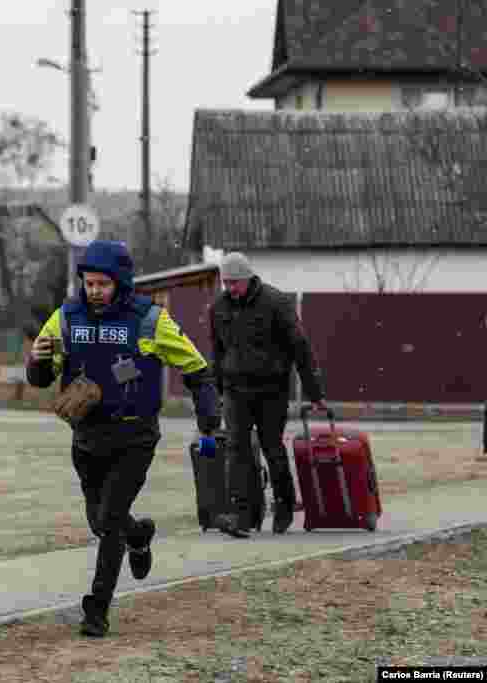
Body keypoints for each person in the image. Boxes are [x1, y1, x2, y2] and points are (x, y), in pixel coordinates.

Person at [26, 240, 220, 638]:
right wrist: (38, 359)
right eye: (88, 282)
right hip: (87, 436)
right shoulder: (66, 316)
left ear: (121, 282)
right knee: (101, 522)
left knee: (109, 520)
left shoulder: (149, 319)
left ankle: (96, 609)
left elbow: (197, 368)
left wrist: (208, 414)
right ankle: (139, 535)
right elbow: (41, 376)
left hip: (134, 435)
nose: (94, 290)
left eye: (102, 284)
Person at [208, 252, 326, 539]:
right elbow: (218, 353)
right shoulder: (219, 308)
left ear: (249, 279)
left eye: (235, 282)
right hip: (236, 390)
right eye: (226, 283)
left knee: (272, 447)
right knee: (237, 448)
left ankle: (284, 504)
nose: (231, 288)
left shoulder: (276, 302)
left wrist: (314, 393)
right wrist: (217, 392)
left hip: (272, 389)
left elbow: (301, 348)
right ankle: (240, 513)